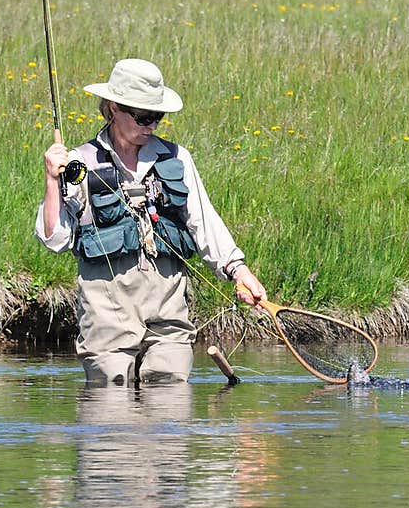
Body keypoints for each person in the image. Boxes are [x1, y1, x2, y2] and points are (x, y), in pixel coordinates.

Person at [36, 57, 266, 387]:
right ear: (113, 107)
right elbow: (54, 239)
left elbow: (204, 222)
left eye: (157, 117)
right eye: (143, 117)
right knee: (110, 408)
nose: (151, 126)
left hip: (168, 314)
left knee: (170, 399)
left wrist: (239, 272)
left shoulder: (176, 158)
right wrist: (49, 180)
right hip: (107, 318)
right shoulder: (78, 163)